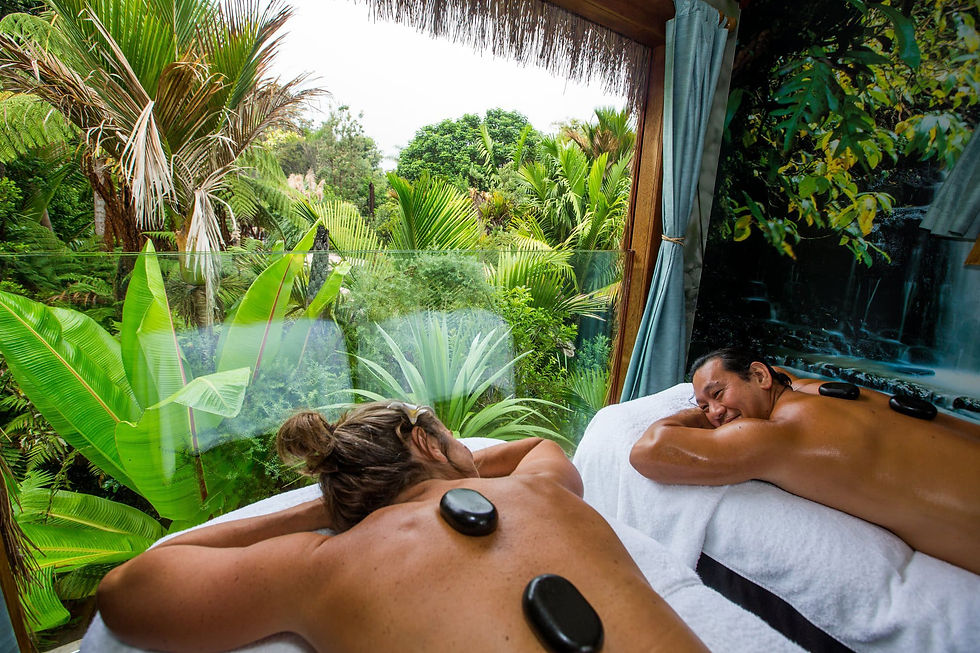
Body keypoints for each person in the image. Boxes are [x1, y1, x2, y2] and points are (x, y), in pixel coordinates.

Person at [98, 401, 708, 653]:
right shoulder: (543, 489)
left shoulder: (320, 568)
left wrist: (324, 513)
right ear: (425, 441)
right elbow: (537, 445)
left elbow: (126, 588)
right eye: (447, 431)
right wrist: (460, 467)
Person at [629, 348, 980, 576]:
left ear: (761, 376)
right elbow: (781, 373)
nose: (715, 413)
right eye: (704, 407)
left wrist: (696, 414)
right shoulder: (820, 390)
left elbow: (648, 451)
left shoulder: (774, 435)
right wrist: (719, 401)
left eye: (718, 394)